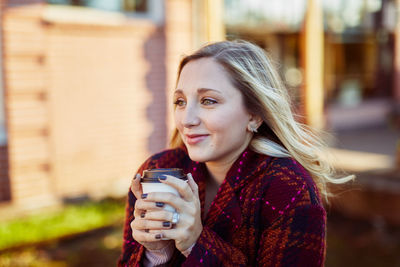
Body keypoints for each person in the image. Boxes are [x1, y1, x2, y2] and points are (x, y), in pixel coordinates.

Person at [118, 40, 352, 267]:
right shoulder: (159, 171)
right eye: (180, 101)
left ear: (254, 115)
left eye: (208, 101)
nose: (187, 120)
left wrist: (196, 244)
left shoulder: (288, 188)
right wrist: (156, 255)